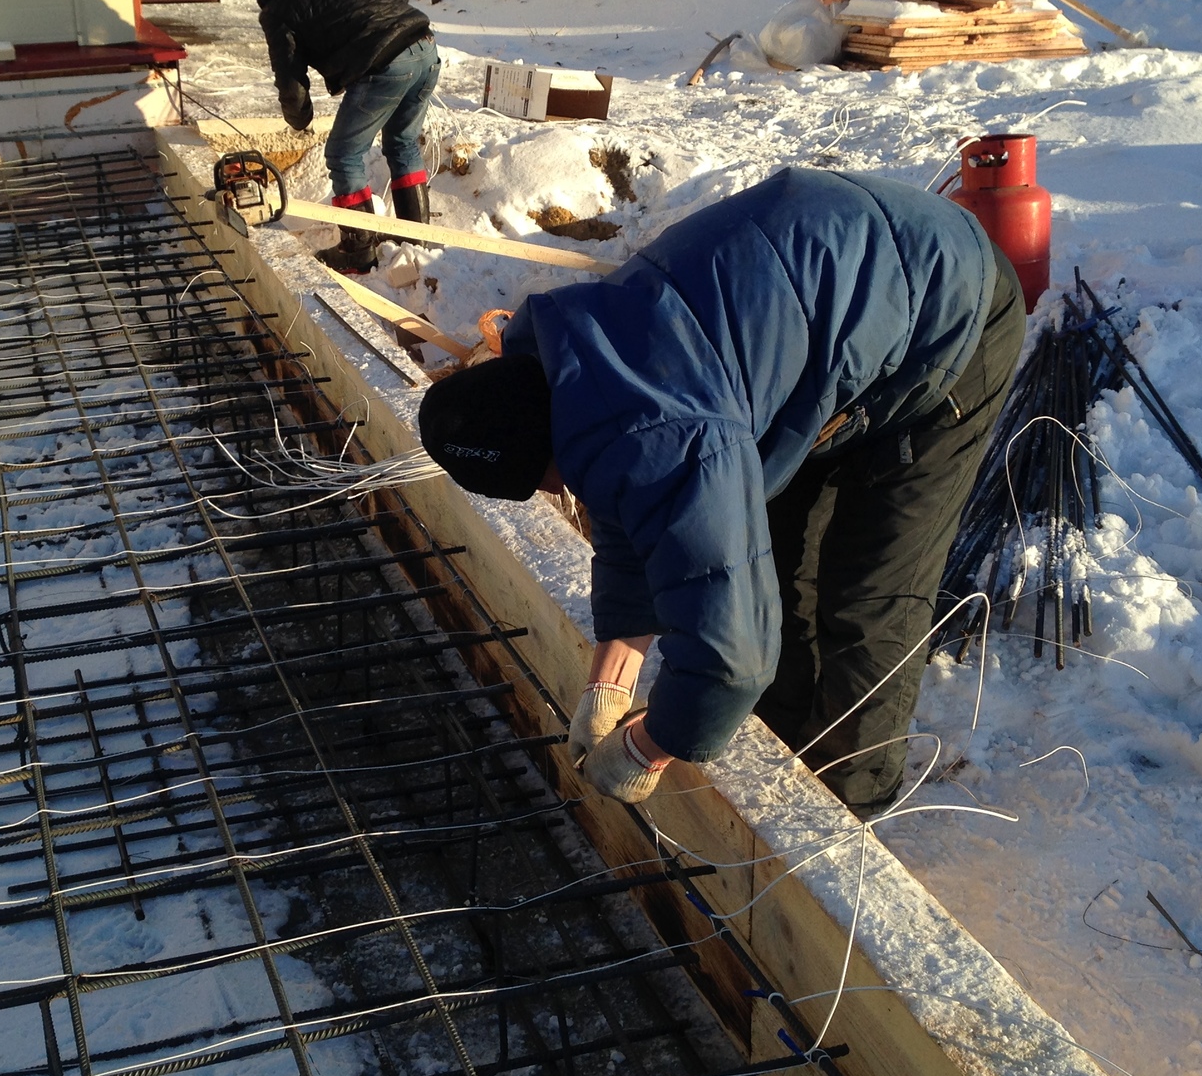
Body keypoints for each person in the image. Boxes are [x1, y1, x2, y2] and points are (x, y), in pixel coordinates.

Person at [416, 167, 1026, 812]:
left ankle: (847, 813)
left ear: (542, 449)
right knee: (781, 564)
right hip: (838, 285)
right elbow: (636, 509)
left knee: (870, 594)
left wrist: (646, 748)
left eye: (541, 481)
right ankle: (787, 753)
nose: (555, 490)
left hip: (948, 306)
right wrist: (611, 681)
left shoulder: (664, 431)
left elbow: (731, 658)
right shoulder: (580, 366)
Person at [235, 0, 440, 273]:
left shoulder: (277, 10)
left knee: (343, 156)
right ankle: (416, 245)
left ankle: (360, 252)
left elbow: (289, 77)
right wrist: (390, 21)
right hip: (425, 45)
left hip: (383, 67)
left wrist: (299, 119)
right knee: (403, 145)